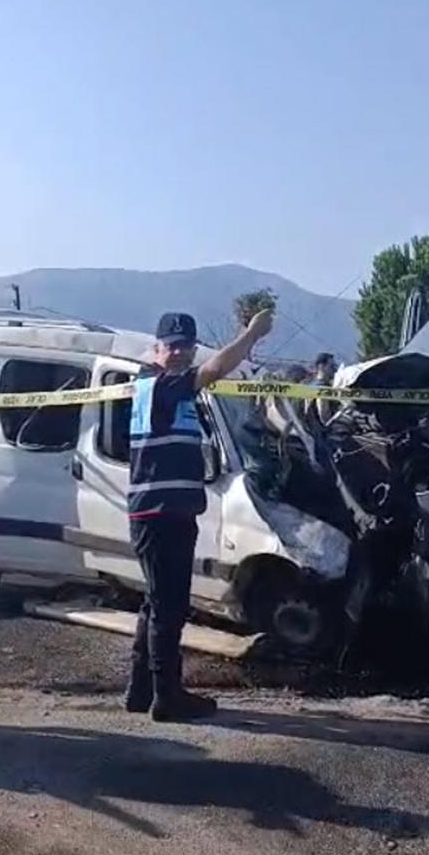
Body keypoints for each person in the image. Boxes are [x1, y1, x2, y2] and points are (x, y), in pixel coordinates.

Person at [125, 308, 273, 722]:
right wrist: (251, 336)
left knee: (156, 603)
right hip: (161, 512)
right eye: (170, 346)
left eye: (184, 347)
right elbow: (213, 371)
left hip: (165, 510)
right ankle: (167, 697)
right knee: (168, 607)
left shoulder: (157, 385)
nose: (178, 353)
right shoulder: (160, 384)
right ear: (156, 349)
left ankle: (143, 690)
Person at [305, 351, 338, 427]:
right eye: (331, 366)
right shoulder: (322, 387)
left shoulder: (311, 385)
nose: (334, 370)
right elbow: (324, 416)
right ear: (321, 367)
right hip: (324, 433)